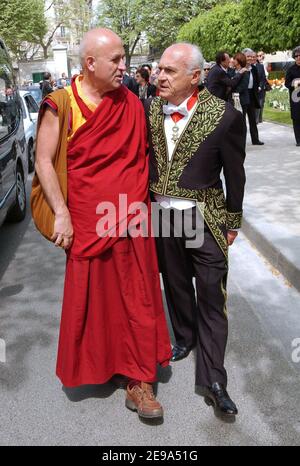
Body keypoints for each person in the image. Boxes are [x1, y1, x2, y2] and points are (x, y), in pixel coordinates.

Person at [32, 28, 171, 419]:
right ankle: (107, 364)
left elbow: (143, 156)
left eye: (124, 58)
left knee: (136, 296)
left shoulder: (129, 102)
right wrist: (61, 212)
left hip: (132, 218)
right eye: (116, 60)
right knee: (98, 302)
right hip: (88, 222)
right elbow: (44, 161)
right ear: (90, 63)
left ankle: (140, 380)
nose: (124, 66)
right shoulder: (61, 103)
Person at [144, 43, 246, 417]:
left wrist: (233, 221)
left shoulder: (224, 116)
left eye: (170, 71)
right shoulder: (151, 108)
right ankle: (184, 337)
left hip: (205, 217)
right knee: (174, 283)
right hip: (163, 216)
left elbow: (236, 174)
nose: (160, 76)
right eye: (159, 69)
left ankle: (214, 378)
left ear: (195, 76)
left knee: (210, 293)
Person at [242, 48, 264, 145]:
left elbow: (256, 82)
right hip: (243, 95)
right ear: (243, 57)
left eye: (251, 56)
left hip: (251, 95)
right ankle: (241, 141)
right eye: (248, 56)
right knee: (241, 120)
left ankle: (255, 139)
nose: (250, 58)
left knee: (253, 119)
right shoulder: (240, 68)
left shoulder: (254, 69)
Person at [285, 46, 300, 147]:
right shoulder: (290, 69)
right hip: (295, 97)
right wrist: (295, 83)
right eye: (296, 56)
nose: (298, 57)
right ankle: (298, 140)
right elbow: (287, 83)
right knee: (296, 118)